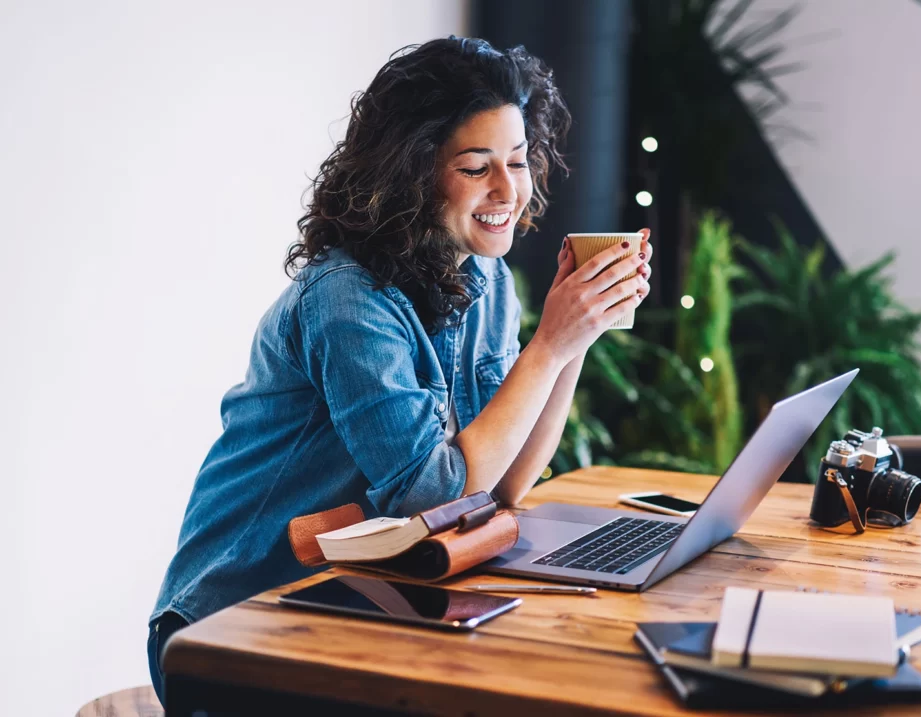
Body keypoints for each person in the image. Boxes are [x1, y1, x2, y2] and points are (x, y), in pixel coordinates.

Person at [147, 36, 652, 704]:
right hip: (238, 627)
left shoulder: (485, 276)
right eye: (477, 168)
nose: (509, 189)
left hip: (361, 602)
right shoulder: (347, 297)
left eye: (519, 160)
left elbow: (498, 487)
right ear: (413, 171)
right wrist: (549, 347)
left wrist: (578, 338)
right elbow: (431, 495)